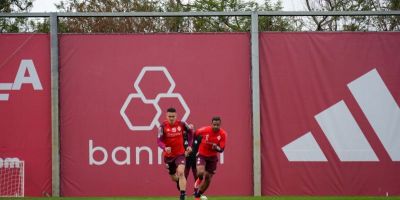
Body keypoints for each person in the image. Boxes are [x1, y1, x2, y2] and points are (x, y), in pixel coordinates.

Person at [157, 107, 193, 200]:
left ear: (176, 116)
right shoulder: (162, 126)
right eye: (169, 116)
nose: (171, 118)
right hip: (168, 156)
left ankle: (182, 195)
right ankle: (179, 182)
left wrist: (189, 145)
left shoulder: (182, 124)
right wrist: (165, 147)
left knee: (181, 172)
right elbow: (159, 141)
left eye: (173, 116)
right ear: (166, 116)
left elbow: (190, 133)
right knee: (173, 177)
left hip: (180, 154)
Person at [193, 116, 227, 200]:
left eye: (217, 125)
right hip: (202, 155)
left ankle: (198, 195)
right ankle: (198, 182)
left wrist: (216, 148)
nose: (216, 126)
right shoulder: (204, 130)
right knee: (200, 173)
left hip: (212, 157)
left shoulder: (223, 134)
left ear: (220, 125)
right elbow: (194, 134)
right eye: (214, 124)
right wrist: (197, 142)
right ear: (211, 124)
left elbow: (222, 149)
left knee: (208, 178)